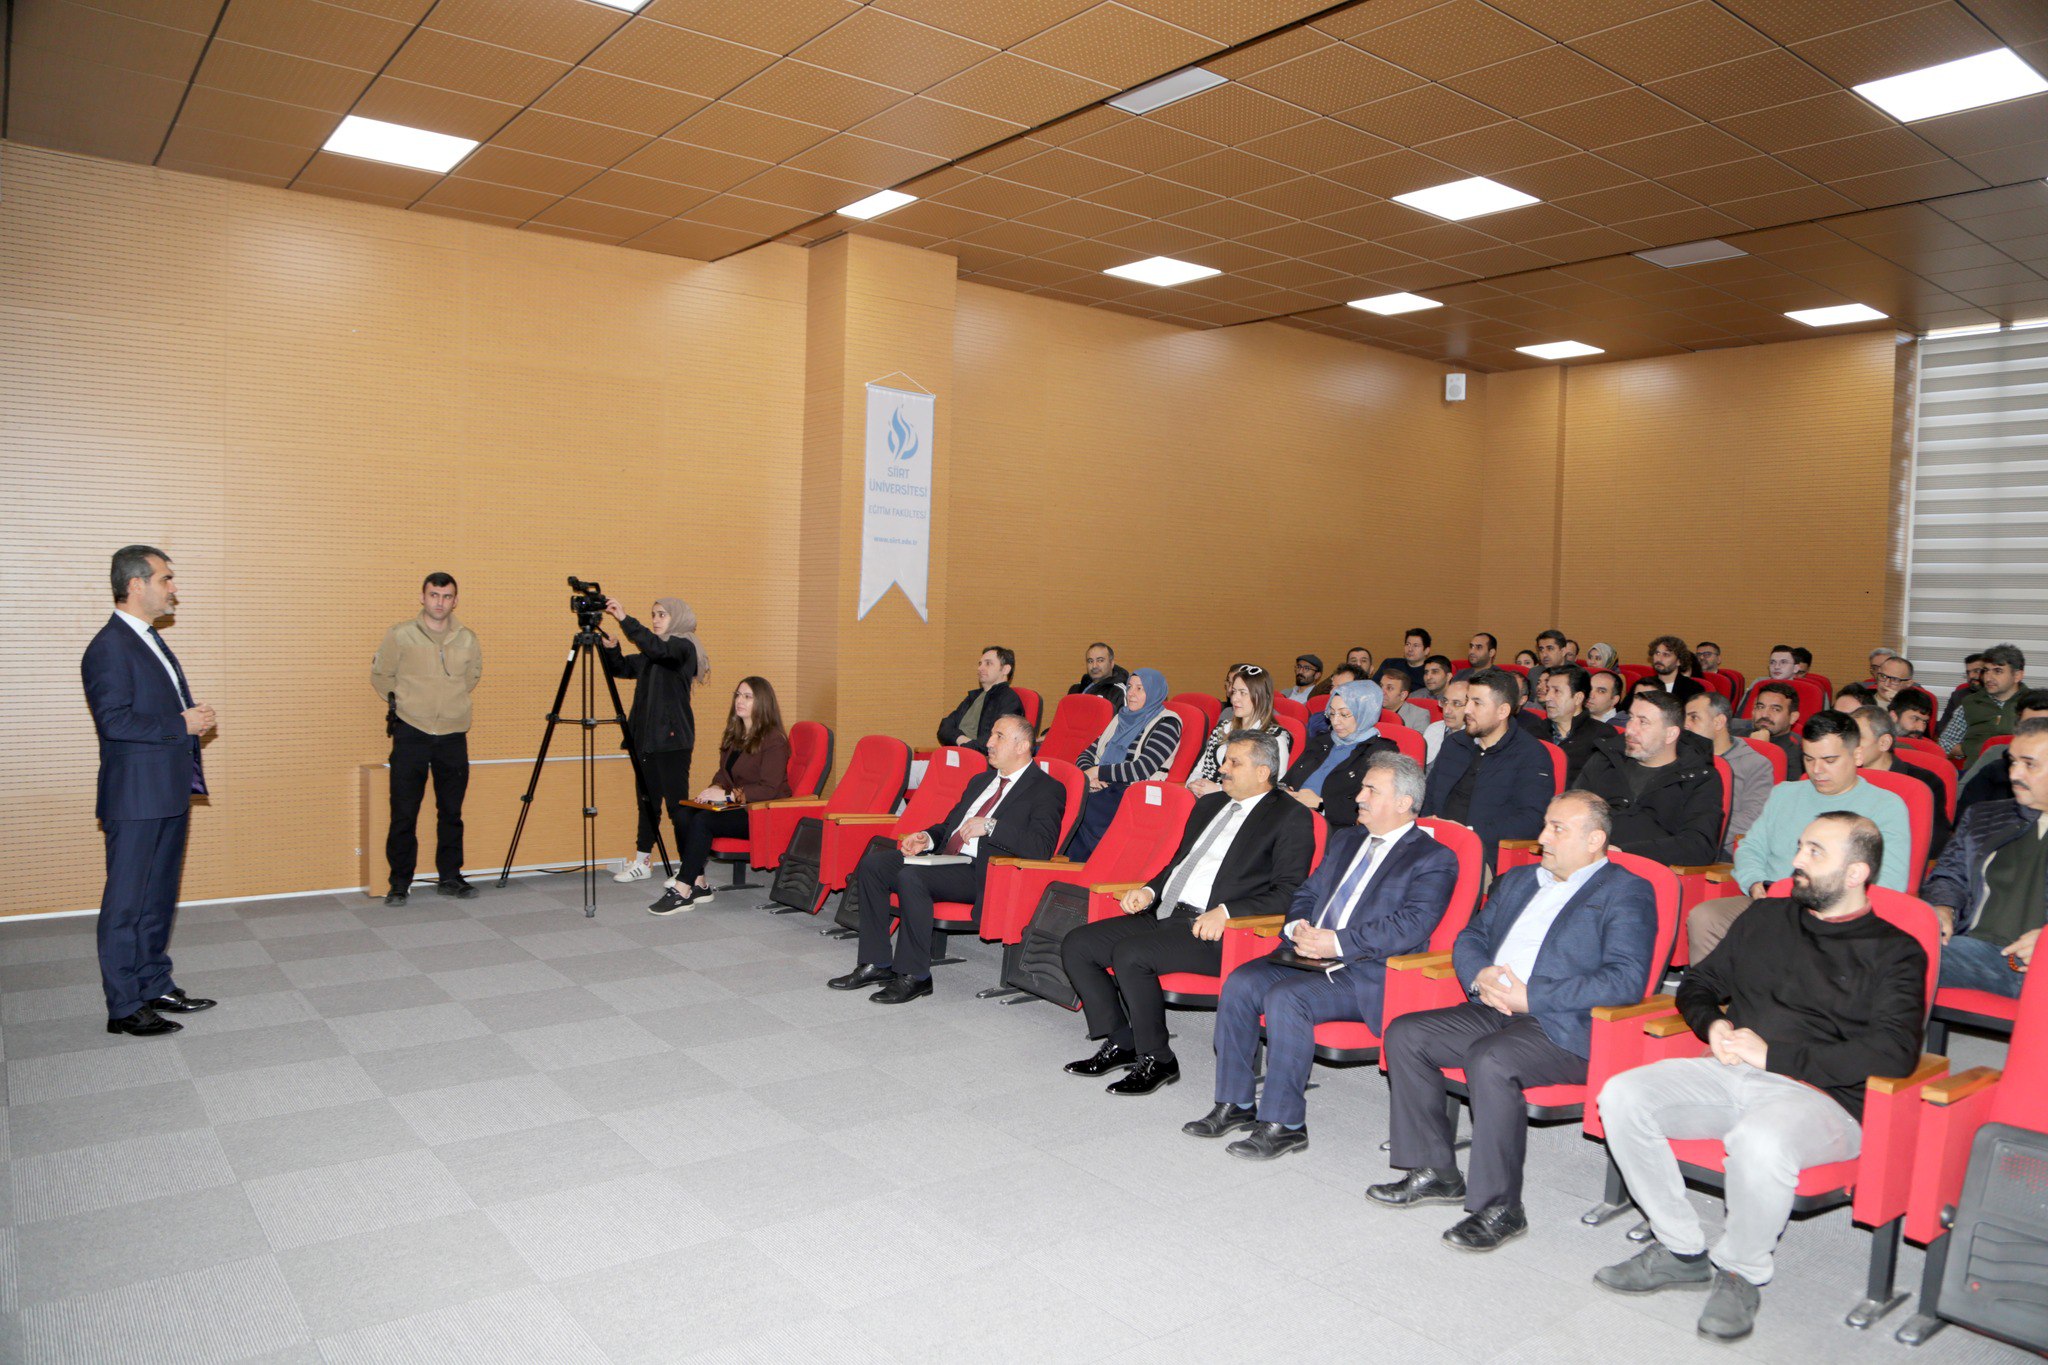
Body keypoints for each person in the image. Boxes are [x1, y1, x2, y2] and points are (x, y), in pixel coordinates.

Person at [1596, 813, 1924, 1343]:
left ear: (1857, 872)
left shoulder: (1896, 951)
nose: (1796, 861)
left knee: (1760, 1140)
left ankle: (1740, 1271)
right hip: (1730, 1071)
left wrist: (1777, 1057)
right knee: (1623, 1095)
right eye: (1800, 846)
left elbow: (1894, 1053)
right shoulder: (1765, 918)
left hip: (1825, 1099)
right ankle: (1680, 1247)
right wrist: (1714, 1023)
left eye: (1815, 852)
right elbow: (1698, 982)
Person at [1371, 792, 1657, 1250]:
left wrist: (1534, 997)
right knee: (1406, 1033)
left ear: (1594, 841)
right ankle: (1436, 1172)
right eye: (1545, 824)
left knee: (1491, 1060)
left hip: (1563, 1026)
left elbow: (1625, 980)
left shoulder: (1625, 890)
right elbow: (1472, 935)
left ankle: (1501, 1207)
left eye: (1558, 829)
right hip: (1491, 1007)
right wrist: (1478, 974)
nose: (1543, 837)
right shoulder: (1521, 879)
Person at [1188, 754, 1456, 1158]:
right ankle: (1236, 1102)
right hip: (1309, 954)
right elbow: (1307, 894)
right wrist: (1297, 928)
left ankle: (1285, 1123)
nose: (1359, 796)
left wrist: (1337, 943)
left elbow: (1411, 926)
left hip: (1370, 971)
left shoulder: (1433, 858)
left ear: (1404, 802)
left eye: (1371, 790)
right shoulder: (1347, 839)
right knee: (1241, 982)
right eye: (1362, 787)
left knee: (1286, 998)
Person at [1062, 731, 1314, 1094]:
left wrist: (1227, 912)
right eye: (1224, 760)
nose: (1222, 769)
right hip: (1168, 912)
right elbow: (1179, 864)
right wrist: (1149, 890)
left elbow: (1290, 892)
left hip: (1223, 930)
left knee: (1132, 954)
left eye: (1233, 763)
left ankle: (1158, 1058)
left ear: (1263, 772)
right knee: (1078, 944)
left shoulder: (1290, 817)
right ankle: (1124, 1040)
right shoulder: (1210, 805)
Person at [831, 714, 1065, 1003]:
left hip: (985, 871)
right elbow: (949, 826)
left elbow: (1041, 847)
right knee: (874, 864)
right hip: (947, 860)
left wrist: (991, 827)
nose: (989, 743)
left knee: (911, 876)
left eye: (999, 737)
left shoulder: (1046, 788)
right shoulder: (982, 780)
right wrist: (926, 838)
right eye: (991, 735)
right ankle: (876, 963)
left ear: (1023, 746)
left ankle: (915, 975)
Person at [83, 546, 220, 1037]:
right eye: (166, 579)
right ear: (136, 584)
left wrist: (185, 725)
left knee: (158, 897)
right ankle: (123, 1006)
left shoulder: (147, 640)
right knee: (126, 904)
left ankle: (153, 983)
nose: (173, 588)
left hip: (165, 791)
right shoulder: (109, 646)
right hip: (135, 796)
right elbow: (114, 721)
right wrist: (178, 724)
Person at [1686, 712, 1912, 961]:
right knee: (1705, 916)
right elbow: (1751, 847)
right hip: (1770, 902)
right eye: (1809, 758)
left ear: (1857, 755)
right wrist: (1754, 882)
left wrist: (1826, 910)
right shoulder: (1785, 793)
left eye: (1829, 760)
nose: (1817, 770)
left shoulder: (1887, 806)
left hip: (1833, 914)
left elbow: (1890, 882)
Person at [370, 571, 483, 906]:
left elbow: (472, 676)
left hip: (452, 734)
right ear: (423, 597)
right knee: (403, 811)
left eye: (447, 596)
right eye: (434, 595)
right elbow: (381, 675)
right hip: (411, 732)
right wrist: (405, 704)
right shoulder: (401, 634)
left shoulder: (467, 637)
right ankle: (399, 882)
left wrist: (449, 705)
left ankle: (450, 876)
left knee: (451, 811)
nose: (440, 602)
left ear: (455, 600)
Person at [640, 677, 791, 913]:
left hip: (762, 812)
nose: (739, 701)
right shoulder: (736, 733)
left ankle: (682, 890)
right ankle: (698, 882)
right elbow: (724, 773)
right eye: (738, 695)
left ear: (763, 702)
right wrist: (715, 789)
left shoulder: (774, 740)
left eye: (747, 697)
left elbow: (769, 789)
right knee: (682, 814)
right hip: (738, 807)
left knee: (703, 821)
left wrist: (729, 796)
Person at [1924, 718, 2048, 1000]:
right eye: (2012, 762)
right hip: (1977, 950)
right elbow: (1948, 874)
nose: (2015, 773)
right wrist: (1943, 907)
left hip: (2040, 963)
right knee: (1886, 949)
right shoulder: (1984, 817)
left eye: (2029, 764)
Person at [600, 594, 707, 907]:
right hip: (646, 741)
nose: (656, 619)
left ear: (678, 617)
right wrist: (612, 649)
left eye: (662, 614)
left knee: (677, 809)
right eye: (653, 615)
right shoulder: (653, 653)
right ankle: (643, 862)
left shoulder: (682, 648)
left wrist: (624, 618)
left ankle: (691, 873)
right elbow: (622, 668)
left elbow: (660, 650)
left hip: (673, 743)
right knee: (647, 804)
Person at [1422, 667, 1555, 869]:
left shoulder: (1531, 754)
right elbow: (1428, 797)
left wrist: (1468, 832)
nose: (1467, 710)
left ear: (1502, 711)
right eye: (1468, 701)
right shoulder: (1454, 744)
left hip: (1483, 854)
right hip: (1434, 844)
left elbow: (1531, 820)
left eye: (1477, 703)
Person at [1572, 689, 1722, 865]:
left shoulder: (1698, 778)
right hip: (1584, 863)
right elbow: (1571, 811)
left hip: (1648, 873)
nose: (1629, 729)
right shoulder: (1605, 760)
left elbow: (1698, 845)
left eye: (1643, 722)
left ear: (1671, 734)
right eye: (1631, 718)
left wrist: (1624, 853)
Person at [1069, 668, 1182, 859]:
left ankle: (1090, 863)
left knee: (1080, 806)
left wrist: (1099, 772)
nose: (1130, 693)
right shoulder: (1121, 717)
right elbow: (1086, 754)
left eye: (1139, 688)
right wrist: (1088, 773)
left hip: (1133, 790)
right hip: (1103, 784)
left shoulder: (1167, 723)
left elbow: (1141, 768)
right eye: (1130, 687)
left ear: (1154, 692)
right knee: (1060, 795)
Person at [1280, 680, 1395, 828]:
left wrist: (1321, 805)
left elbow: (1373, 808)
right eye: (1332, 713)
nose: (1335, 721)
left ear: (1365, 713)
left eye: (1344, 714)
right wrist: (1284, 792)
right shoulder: (1322, 741)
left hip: (1333, 828)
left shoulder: (1381, 752)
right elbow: (1287, 781)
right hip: (1293, 815)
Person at [1684, 691, 1772, 860]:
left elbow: (1752, 817)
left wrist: (1699, 832)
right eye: (1685, 718)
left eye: (1693, 718)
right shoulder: (1682, 757)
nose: (1685, 725)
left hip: (1720, 848)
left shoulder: (1755, 764)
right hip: (1680, 839)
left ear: (1718, 722)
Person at [1852, 705, 1950, 857]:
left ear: (1884, 743)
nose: (1848, 746)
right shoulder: (1842, 776)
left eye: (1857, 739)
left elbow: (1936, 843)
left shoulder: (1925, 782)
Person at [1189, 665, 1289, 796]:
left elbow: (1272, 790)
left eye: (1243, 693)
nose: (1234, 699)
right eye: (1234, 691)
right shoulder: (1223, 728)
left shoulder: (1275, 738)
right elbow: (1200, 768)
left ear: (1261, 697)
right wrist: (1192, 785)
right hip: (1204, 797)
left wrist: (1219, 789)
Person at [1956, 690, 2048, 817]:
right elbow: (1965, 804)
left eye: (2044, 726)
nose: (2037, 734)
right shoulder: (1996, 760)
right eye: (2029, 726)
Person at [1941, 643, 2026, 764]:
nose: (1988, 678)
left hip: (2019, 772)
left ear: (2017, 675)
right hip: (1976, 773)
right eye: (1986, 671)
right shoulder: (1971, 702)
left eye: (1998, 671)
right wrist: (1970, 749)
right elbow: (1945, 742)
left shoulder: (2034, 704)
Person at [938, 645, 1023, 755]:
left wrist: (964, 744)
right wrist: (961, 739)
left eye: (988, 663)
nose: (980, 668)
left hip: (981, 761)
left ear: (1005, 669)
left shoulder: (1010, 701)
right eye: (980, 664)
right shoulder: (973, 697)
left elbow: (993, 742)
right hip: (958, 754)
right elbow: (945, 727)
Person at [1540, 664, 1614, 787]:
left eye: (1556, 691)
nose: (1547, 697)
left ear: (1578, 698)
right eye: (1548, 690)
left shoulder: (1602, 736)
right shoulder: (1534, 731)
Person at [1750, 681, 1805, 780]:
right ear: (1753, 711)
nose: (1765, 714)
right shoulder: (1735, 737)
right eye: (1760, 707)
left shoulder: (1795, 757)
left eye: (1775, 709)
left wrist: (1760, 748)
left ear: (1793, 717)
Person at [1630, 635, 1704, 705]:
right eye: (1657, 653)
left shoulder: (1693, 688)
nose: (1659, 658)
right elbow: (1625, 712)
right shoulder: (1642, 684)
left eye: (1666, 655)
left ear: (1679, 661)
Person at [1424, 677, 1468, 769]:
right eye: (1445, 701)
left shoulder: (1477, 740)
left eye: (1456, 703)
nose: (1447, 711)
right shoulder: (1434, 729)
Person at [1373, 665, 1429, 729]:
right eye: (1381, 686)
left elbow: (1418, 739)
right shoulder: (1372, 711)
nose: (1382, 692)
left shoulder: (1419, 715)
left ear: (1403, 695)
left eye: (1389, 688)